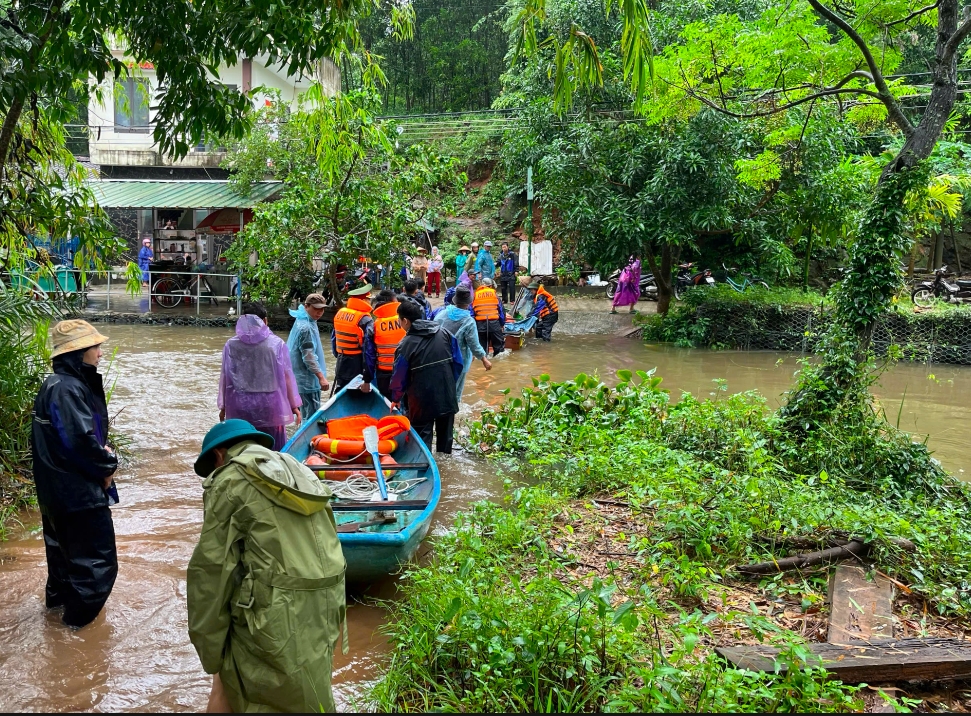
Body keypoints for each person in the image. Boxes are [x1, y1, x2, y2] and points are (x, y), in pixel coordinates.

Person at [187, 419, 346, 714]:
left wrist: (211, 653)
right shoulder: (299, 470)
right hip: (326, 598)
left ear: (219, 455)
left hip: (274, 606)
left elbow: (210, 574)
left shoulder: (229, 479)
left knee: (238, 684)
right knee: (309, 688)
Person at [31, 320, 119, 629]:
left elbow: (70, 439)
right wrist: (107, 466)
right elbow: (79, 442)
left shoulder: (54, 385)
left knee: (63, 566)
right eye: (95, 346)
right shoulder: (68, 389)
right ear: (77, 353)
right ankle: (74, 636)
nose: (100, 351)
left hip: (56, 494)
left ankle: (55, 627)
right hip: (77, 495)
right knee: (98, 568)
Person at [218, 302, 302, 450]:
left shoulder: (231, 345)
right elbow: (287, 376)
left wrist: (224, 406)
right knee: (273, 449)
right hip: (269, 404)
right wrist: (294, 405)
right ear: (264, 321)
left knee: (243, 446)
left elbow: (226, 378)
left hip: (240, 403)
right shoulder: (276, 345)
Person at [390, 300, 463, 454]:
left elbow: (399, 377)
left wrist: (395, 398)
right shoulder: (445, 333)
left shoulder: (405, 345)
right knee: (445, 441)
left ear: (405, 321)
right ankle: (445, 472)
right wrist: (448, 384)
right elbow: (458, 364)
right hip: (447, 395)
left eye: (399, 319)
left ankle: (425, 470)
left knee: (422, 442)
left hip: (421, 402)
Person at [434, 285, 492, 402]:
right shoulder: (468, 321)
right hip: (459, 361)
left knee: (440, 388)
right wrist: (484, 359)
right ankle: (453, 414)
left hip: (439, 357)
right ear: (469, 303)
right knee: (455, 391)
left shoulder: (441, 315)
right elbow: (474, 344)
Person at [287, 293, 331, 422]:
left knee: (302, 414)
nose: (319, 312)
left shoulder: (304, 319)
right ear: (306, 306)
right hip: (307, 380)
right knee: (311, 417)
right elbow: (309, 356)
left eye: (322, 309)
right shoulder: (306, 327)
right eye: (316, 309)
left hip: (298, 378)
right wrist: (321, 378)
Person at [331, 284, 374, 393]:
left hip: (341, 361)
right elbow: (368, 349)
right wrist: (367, 375)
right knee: (358, 395)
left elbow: (334, 339)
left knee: (341, 390)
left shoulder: (340, 313)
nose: (370, 302)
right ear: (363, 300)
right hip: (356, 362)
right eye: (369, 299)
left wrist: (340, 354)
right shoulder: (365, 319)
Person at [364, 289, 404, 399]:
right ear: (393, 301)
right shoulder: (406, 320)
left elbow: (369, 355)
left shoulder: (374, 325)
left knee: (388, 405)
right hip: (405, 373)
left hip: (384, 375)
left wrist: (367, 380)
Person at [471, 277, 506, 356]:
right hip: (494, 324)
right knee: (499, 351)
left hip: (480, 324)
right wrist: (502, 324)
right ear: (490, 286)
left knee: (482, 349)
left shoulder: (475, 295)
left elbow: (471, 312)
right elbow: (501, 311)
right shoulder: (494, 295)